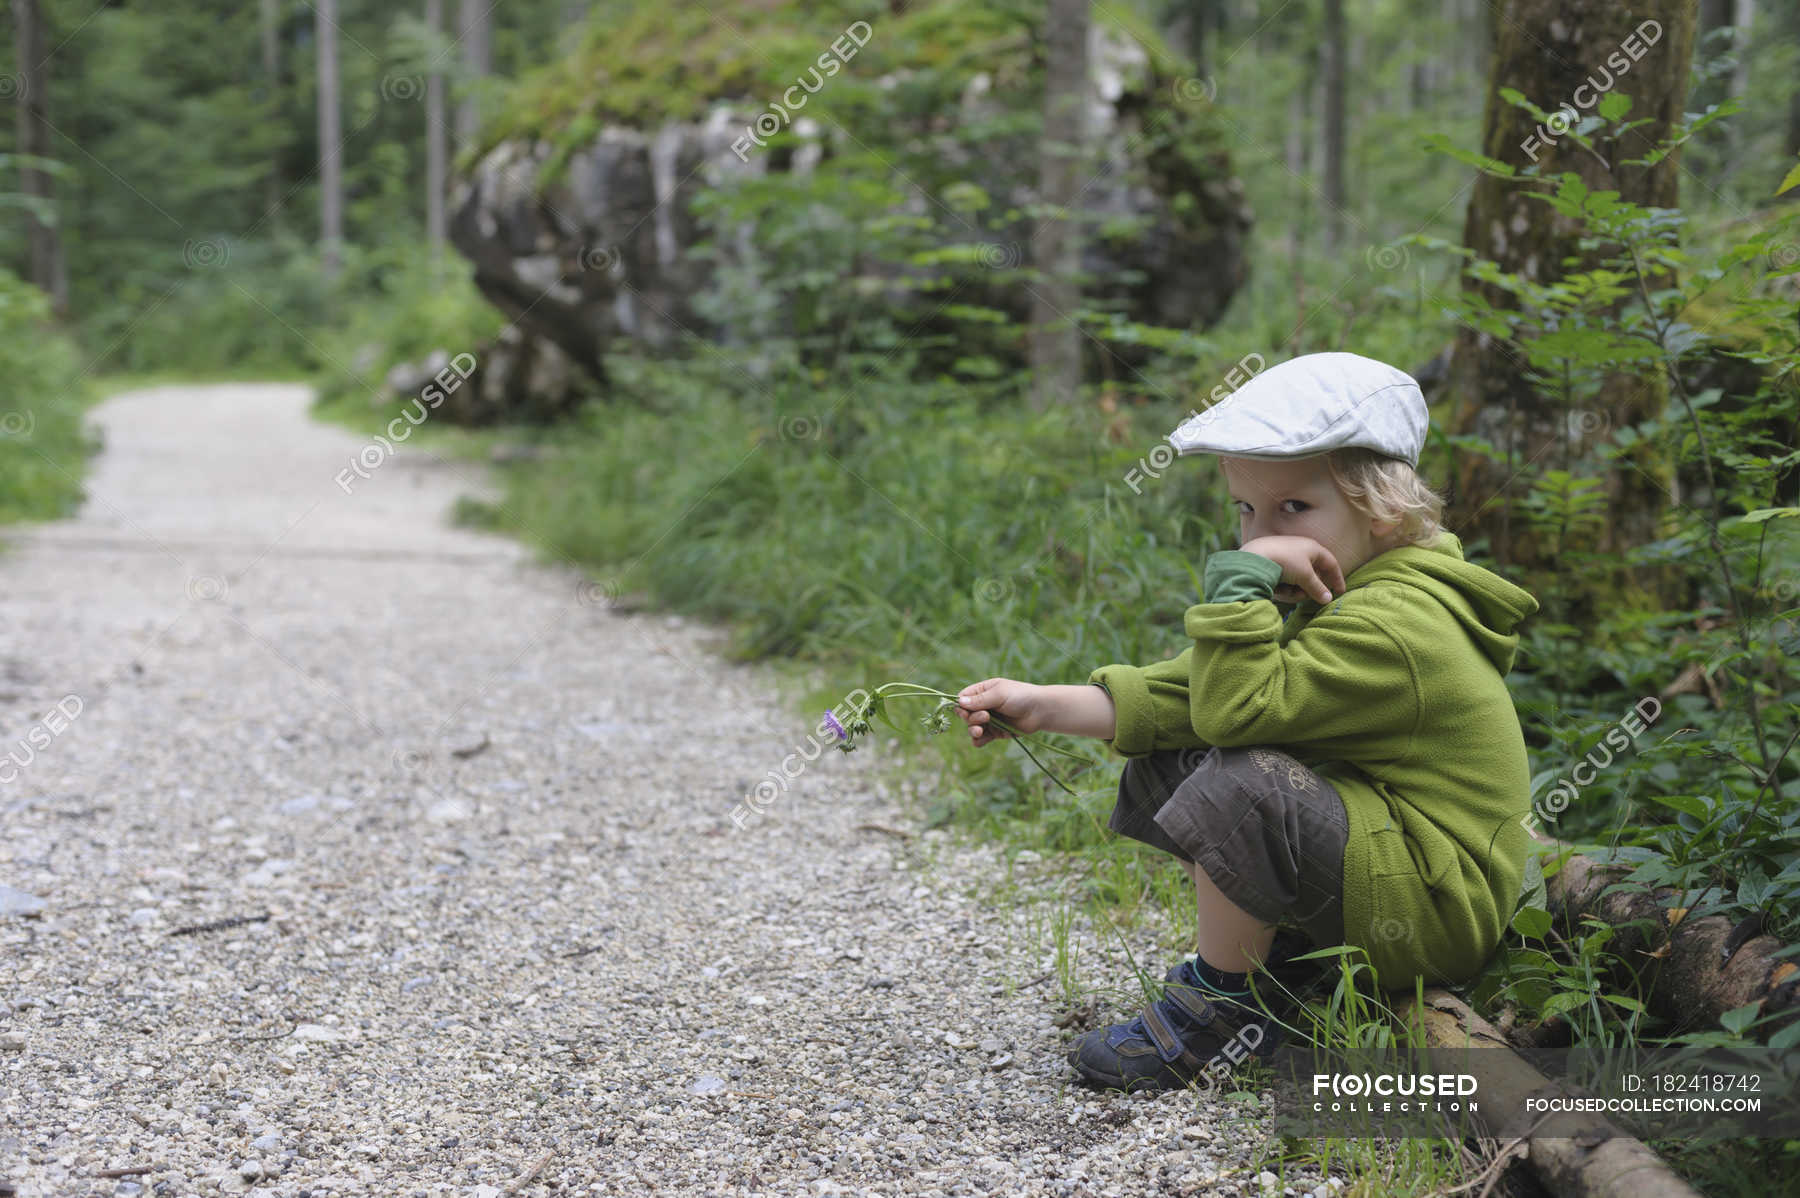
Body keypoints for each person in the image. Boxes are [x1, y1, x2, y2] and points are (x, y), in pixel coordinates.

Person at [955, 351, 1540, 1092]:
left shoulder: (1395, 626)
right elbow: (1194, 697)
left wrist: (1243, 578)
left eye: (1293, 508)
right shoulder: (1349, 589)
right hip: (1394, 868)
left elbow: (1232, 714)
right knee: (1186, 753)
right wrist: (1042, 705)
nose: (1260, 536)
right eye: (1245, 510)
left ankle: (1225, 1010)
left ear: (1384, 509)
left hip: (1433, 909)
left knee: (1239, 775)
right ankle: (1288, 966)